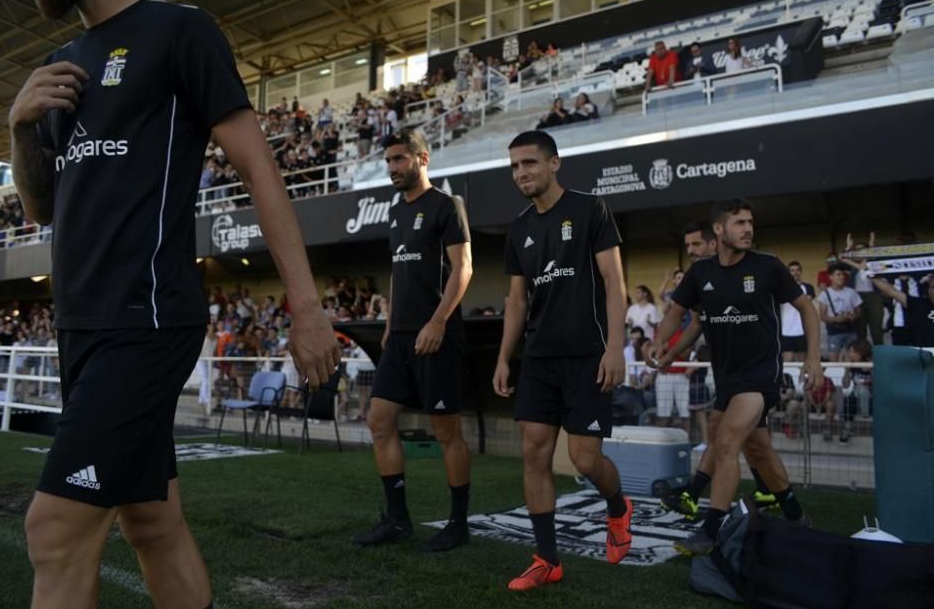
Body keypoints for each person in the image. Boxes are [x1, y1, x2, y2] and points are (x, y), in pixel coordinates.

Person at [9, 0, 341, 607]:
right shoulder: (56, 68)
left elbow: (257, 167)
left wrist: (306, 307)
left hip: (147, 319)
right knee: (151, 520)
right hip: (79, 326)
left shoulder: (179, 30)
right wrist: (19, 129)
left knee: (53, 529)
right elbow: (40, 206)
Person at [493, 130, 632, 590]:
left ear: (555, 163)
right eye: (514, 166)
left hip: (588, 355)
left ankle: (618, 506)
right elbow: (516, 301)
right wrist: (503, 358)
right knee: (533, 453)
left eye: (529, 163)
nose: (521, 173)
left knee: (584, 460)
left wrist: (616, 346)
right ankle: (546, 559)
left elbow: (614, 282)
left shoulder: (590, 209)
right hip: (538, 357)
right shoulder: (519, 228)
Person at [654, 199, 824, 556]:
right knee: (758, 450)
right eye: (740, 222)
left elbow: (807, 307)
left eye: (750, 222)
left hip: (762, 374)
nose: (748, 228)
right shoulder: (701, 274)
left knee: (727, 440)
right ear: (719, 229)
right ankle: (795, 515)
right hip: (726, 377)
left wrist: (813, 358)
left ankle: (710, 530)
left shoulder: (767, 267)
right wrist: (661, 345)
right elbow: (678, 314)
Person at [353, 128, 474, 552]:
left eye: (400, 160)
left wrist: (438, 321)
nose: (392, 169)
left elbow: (464, 269)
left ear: (423, 159)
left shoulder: (447, 206)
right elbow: (397, 271)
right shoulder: (395, 212)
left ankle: (458, 524)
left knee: (446, 431)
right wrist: (389, 321)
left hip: (437, 335)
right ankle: (397, 519)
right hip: (400, 337)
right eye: (388, 162)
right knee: (379, 421)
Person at [870, 273, 934, 347]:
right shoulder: (919, 304)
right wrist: (869, 273)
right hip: (923, 353)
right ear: (928, 290)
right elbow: (891, 291)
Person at [816, 264, 862, 360]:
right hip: (834, 331)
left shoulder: (851, 292)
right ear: (831, 277)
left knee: (852, 359)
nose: (841, 277)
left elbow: (859, 312)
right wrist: (836, 319)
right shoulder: (825, 294)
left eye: (842, 274)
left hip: (851, 329)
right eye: (838, 274)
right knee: (833, 360)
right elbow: (822, 316)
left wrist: (853, 316)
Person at [781, 261, 816, 362]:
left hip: (803, 330)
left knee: (803, 363)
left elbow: (806, 302)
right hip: (786, 331)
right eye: (792, 271)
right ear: (788, 273)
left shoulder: (808, 287)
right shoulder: (782, 288)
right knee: (787, 362)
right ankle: (787, 379)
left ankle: (801, 379)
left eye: (797, 270)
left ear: (801, 272)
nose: (795, 273)